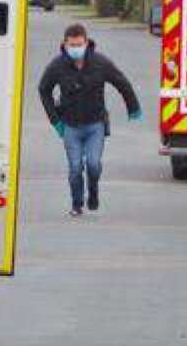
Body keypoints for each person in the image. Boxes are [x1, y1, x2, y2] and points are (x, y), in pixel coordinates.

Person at [39, 24, 142, 216]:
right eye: (72, 45)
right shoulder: (57, 66)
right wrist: (55, 121)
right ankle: (77, 204)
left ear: (86, 43)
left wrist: (133, 108)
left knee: (93, 165)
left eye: (79, 44)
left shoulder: (100, 63)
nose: (76, 49)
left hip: (95, 125)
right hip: (70, 126)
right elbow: (43, 90)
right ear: (65, 44)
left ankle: (93, 192)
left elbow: (122, 82)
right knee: (75, 168)